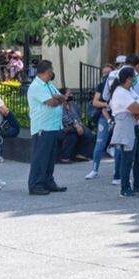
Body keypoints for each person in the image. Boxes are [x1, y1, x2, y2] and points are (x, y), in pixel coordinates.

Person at [26, 60, 67, 195]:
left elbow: (60, 97)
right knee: (40, 157)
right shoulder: (36, 86)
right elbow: (52, 102)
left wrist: (59, 98)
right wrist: (60, 98)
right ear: (47, 71)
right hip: (42, 128)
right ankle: (36, 184)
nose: (52, 73)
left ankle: (48, 181)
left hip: (52, 126)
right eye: (51, 71)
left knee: (49, 157)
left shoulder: (49, 84)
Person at [108, 67, 139, 198]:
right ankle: (124, 188)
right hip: (126, 127)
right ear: (127, 79)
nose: (134, 81)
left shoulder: (128, 91)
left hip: (133, 125)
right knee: (127, 159)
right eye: (133, 78)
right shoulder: (120, 92)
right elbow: (137, 108)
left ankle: (138, 184)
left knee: (137, 157)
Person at [85, 64, 115, 180]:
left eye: (108, 72)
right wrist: (106, 104)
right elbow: (95, 102)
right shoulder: (101, 86)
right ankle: (94, 169)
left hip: (116, 116)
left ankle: (117, 171)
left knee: (118, 145)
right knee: (99, 143)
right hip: (104, 116)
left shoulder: (118, 85)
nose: (106, 75)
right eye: (104, 73)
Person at [57, 88, 93, 162]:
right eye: (69, 94)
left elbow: (77, 116)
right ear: (63, 95)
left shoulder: (73, 104)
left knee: (88, 133)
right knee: (72, 136)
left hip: (75, 125)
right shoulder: (59, 106)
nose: (71, 95)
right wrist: (75, 125)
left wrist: (79, 124)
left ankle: (82, 154)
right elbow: (63, 117)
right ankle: (65, 157)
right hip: (65, 127)